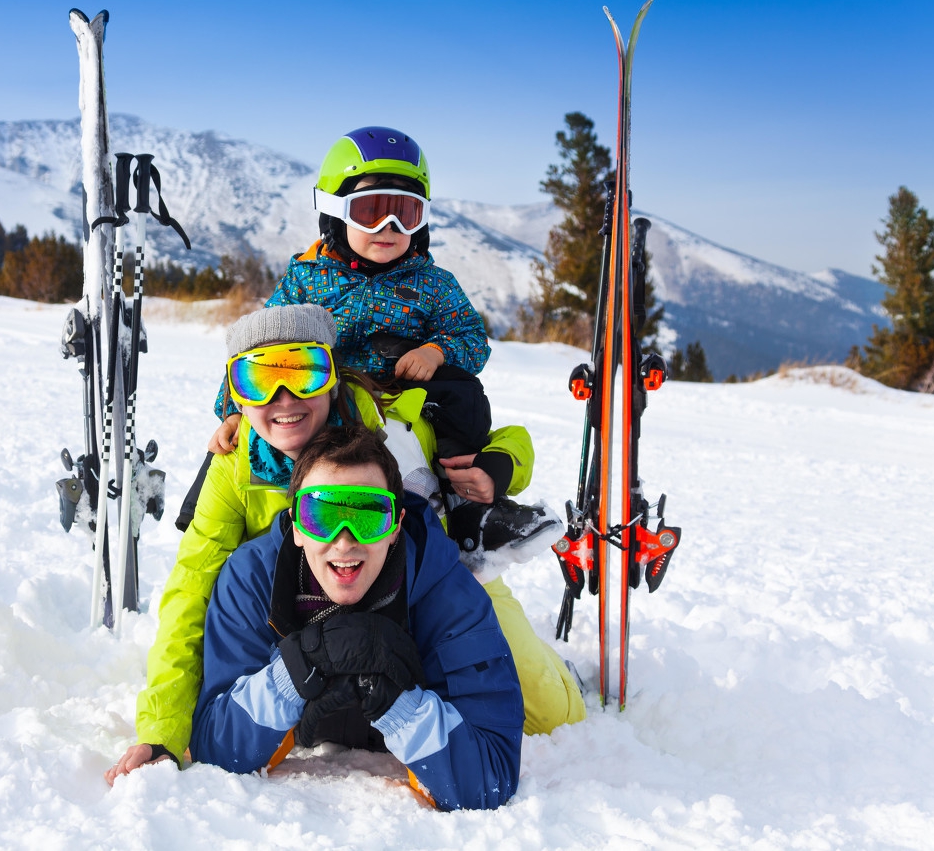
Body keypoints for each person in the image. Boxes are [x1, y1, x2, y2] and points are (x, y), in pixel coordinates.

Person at [104, 304, 584, 787]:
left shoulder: (390, 425)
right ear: (235, 398)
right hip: (299, 602)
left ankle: (561, 674)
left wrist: (500, 467)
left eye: (305, 374)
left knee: (547, 712)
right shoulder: (235, 468)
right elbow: (191, 588)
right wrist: (163, 730)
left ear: (331, 377)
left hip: (436, 581)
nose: (284, 398)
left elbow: (503, 443)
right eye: (259, 383)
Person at [202, 125, 539, 549]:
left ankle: (465, 506)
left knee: (464, 394)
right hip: (325, 393)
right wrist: (234, 410)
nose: (390, 226)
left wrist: (436, 351)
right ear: (335, 212)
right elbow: (262, 344)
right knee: (246, 444)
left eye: (406, 213)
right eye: (370, 211)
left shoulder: (433, 283)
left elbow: (470, 336)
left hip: (405, 401)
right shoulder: (308, 277)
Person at [190, 424, 522, 811]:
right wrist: (294, 673)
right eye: (322, 514)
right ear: (296, 525)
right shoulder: (253, 579)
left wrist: (399, 705)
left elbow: (491, 780)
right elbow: (214, 750)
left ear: (395, 527)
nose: (345, 541)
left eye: (367, 515)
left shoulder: (446, 591)